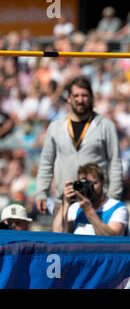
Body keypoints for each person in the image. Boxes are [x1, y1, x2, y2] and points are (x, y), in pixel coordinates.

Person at [35, 76, 123, 215]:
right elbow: (46, 162)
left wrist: (113, 196)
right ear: (69, 98)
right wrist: (41, 193)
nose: (80, 100)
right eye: (76, 96)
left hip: (98, 202)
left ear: (91, 97)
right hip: (65, 200)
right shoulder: (56, 126)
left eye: (84, 95)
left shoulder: (105, 125)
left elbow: (115, 163)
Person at [52, 163, 128, 236]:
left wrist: (88, 211)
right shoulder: (76, 208)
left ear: (102, 182)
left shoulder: (118, 208)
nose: (90, 188)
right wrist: (65, 204)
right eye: (85, 184)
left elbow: (112, 238)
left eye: (94, 183)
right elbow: (58, 233)